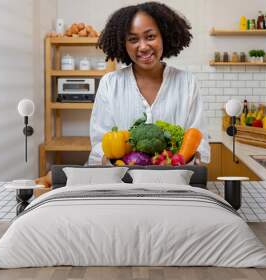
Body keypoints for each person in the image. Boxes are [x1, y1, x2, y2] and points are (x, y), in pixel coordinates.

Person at [88, 1, 210, 165]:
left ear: (164, 36)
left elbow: (199, 141)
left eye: (150, 36)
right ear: (123, 44)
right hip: (123, 182)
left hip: (175, 182)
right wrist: (121, 164)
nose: (143, 47)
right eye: (133, 39)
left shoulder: (187, 82)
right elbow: (99, 145)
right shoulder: (110, 84)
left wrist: (176, 162)